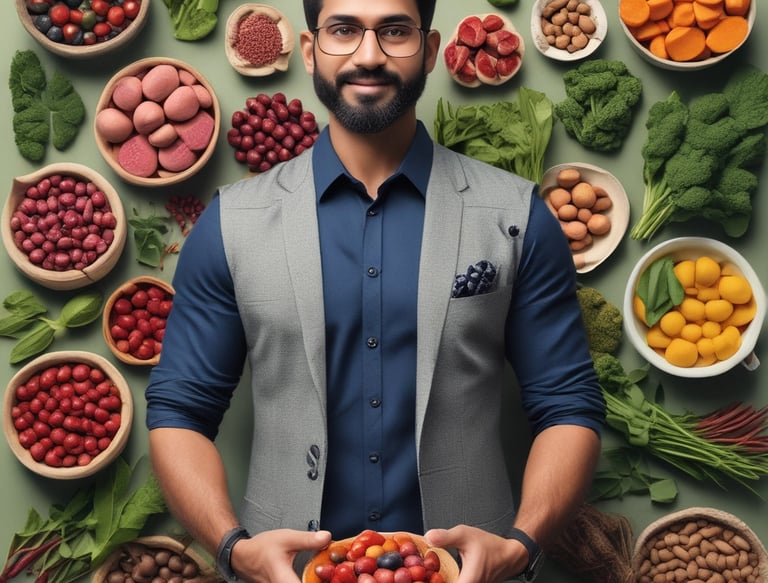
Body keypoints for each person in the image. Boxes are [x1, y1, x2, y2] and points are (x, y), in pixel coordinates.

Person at [145, 0, 606, 581]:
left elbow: (567, 405)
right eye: (343, 30)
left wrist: (518, 546)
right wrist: (234, 549)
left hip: (467, 570)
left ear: (430, 50)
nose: (369, 55)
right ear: (311, 52)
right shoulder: (229, 223)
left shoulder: (516, 216)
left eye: (394, 31)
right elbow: (179, 412)